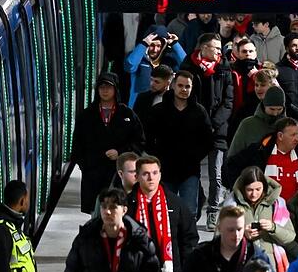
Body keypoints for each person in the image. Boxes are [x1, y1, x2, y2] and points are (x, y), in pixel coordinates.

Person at [126, 156, 200, 272]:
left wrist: (184, 270)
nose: (151, 177)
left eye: (154, 173)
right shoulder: (127, 205)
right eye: (145, 174)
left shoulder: (174, 203)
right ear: (137, 176)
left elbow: (189, 237)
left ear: (160, 175)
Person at [180, 33, 234, 231]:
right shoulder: (188, 67)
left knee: (216, 175)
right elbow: (184, 98)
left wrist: (214, 123)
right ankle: (197, 203)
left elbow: (228, 101)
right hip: (193, 128)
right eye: (215, 47)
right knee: (190, 172)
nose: (219, 51)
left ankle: (213, 211)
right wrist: (200, 122)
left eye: (220, 48)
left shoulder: (224, 68)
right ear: (203, 48)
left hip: (218, 130)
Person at [72, 72, 144, 214]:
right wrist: (85, 165)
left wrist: (120, 153)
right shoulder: (87, 115)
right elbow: (77, 144)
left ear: (115, 89)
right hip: (93, 173)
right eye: (102, 87)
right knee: (95, 213)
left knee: (118, 209)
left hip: (118, 173)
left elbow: (139, 141)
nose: (105, 91)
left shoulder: (127, 114)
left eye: (109, 87)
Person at [147, 70, 214, 215]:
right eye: (180, 85)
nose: (184, 89)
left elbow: (208, 139)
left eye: (187, 86)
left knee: (189, 212)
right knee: (165, 211)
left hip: (190, 171)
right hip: (165, 170)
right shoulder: (158, 110)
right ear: (173, 86)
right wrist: (157, 157)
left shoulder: (199, 111)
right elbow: (147, 137)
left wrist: (195, 156)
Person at [222, 166, 296, 272]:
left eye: (258, 189)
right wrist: (242, 234)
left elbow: (290, 236)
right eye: (249, 190)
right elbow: (219, 239)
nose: (254, 194)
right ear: (242, 188)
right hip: (241, 268)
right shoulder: (231, 205)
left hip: (271, 268)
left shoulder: (277, 204)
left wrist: (273, 228)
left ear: (264, 187)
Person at [223, 117, 298, 203]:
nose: (297, 138)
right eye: (293, 135)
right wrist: (241, 193)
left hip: (294, 210)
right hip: (266, 208)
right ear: (280, 136)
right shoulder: (259, 150)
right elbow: (232, 164)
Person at [124, 25, 185, 107]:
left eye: (158, 46)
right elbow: (130, 66)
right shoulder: (138, 58)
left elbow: (186, 65)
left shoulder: (169, 60)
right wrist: (144, 44)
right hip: (139, 107)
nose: (155, 50)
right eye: (152, 45)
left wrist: (175, 44)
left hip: (164, 107)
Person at [229, 85, 287, 156]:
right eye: (272, 109)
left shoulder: (289, 126)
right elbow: (233, 155)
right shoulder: (247, 125)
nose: (275, 113)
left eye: (279, 109)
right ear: (264, 106)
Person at [134, 64, 175, 131]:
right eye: (151, 80)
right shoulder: (142, 97)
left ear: (167, 83)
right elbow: (135, 121)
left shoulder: (175, 101)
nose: (151, 84)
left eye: (157, 82)